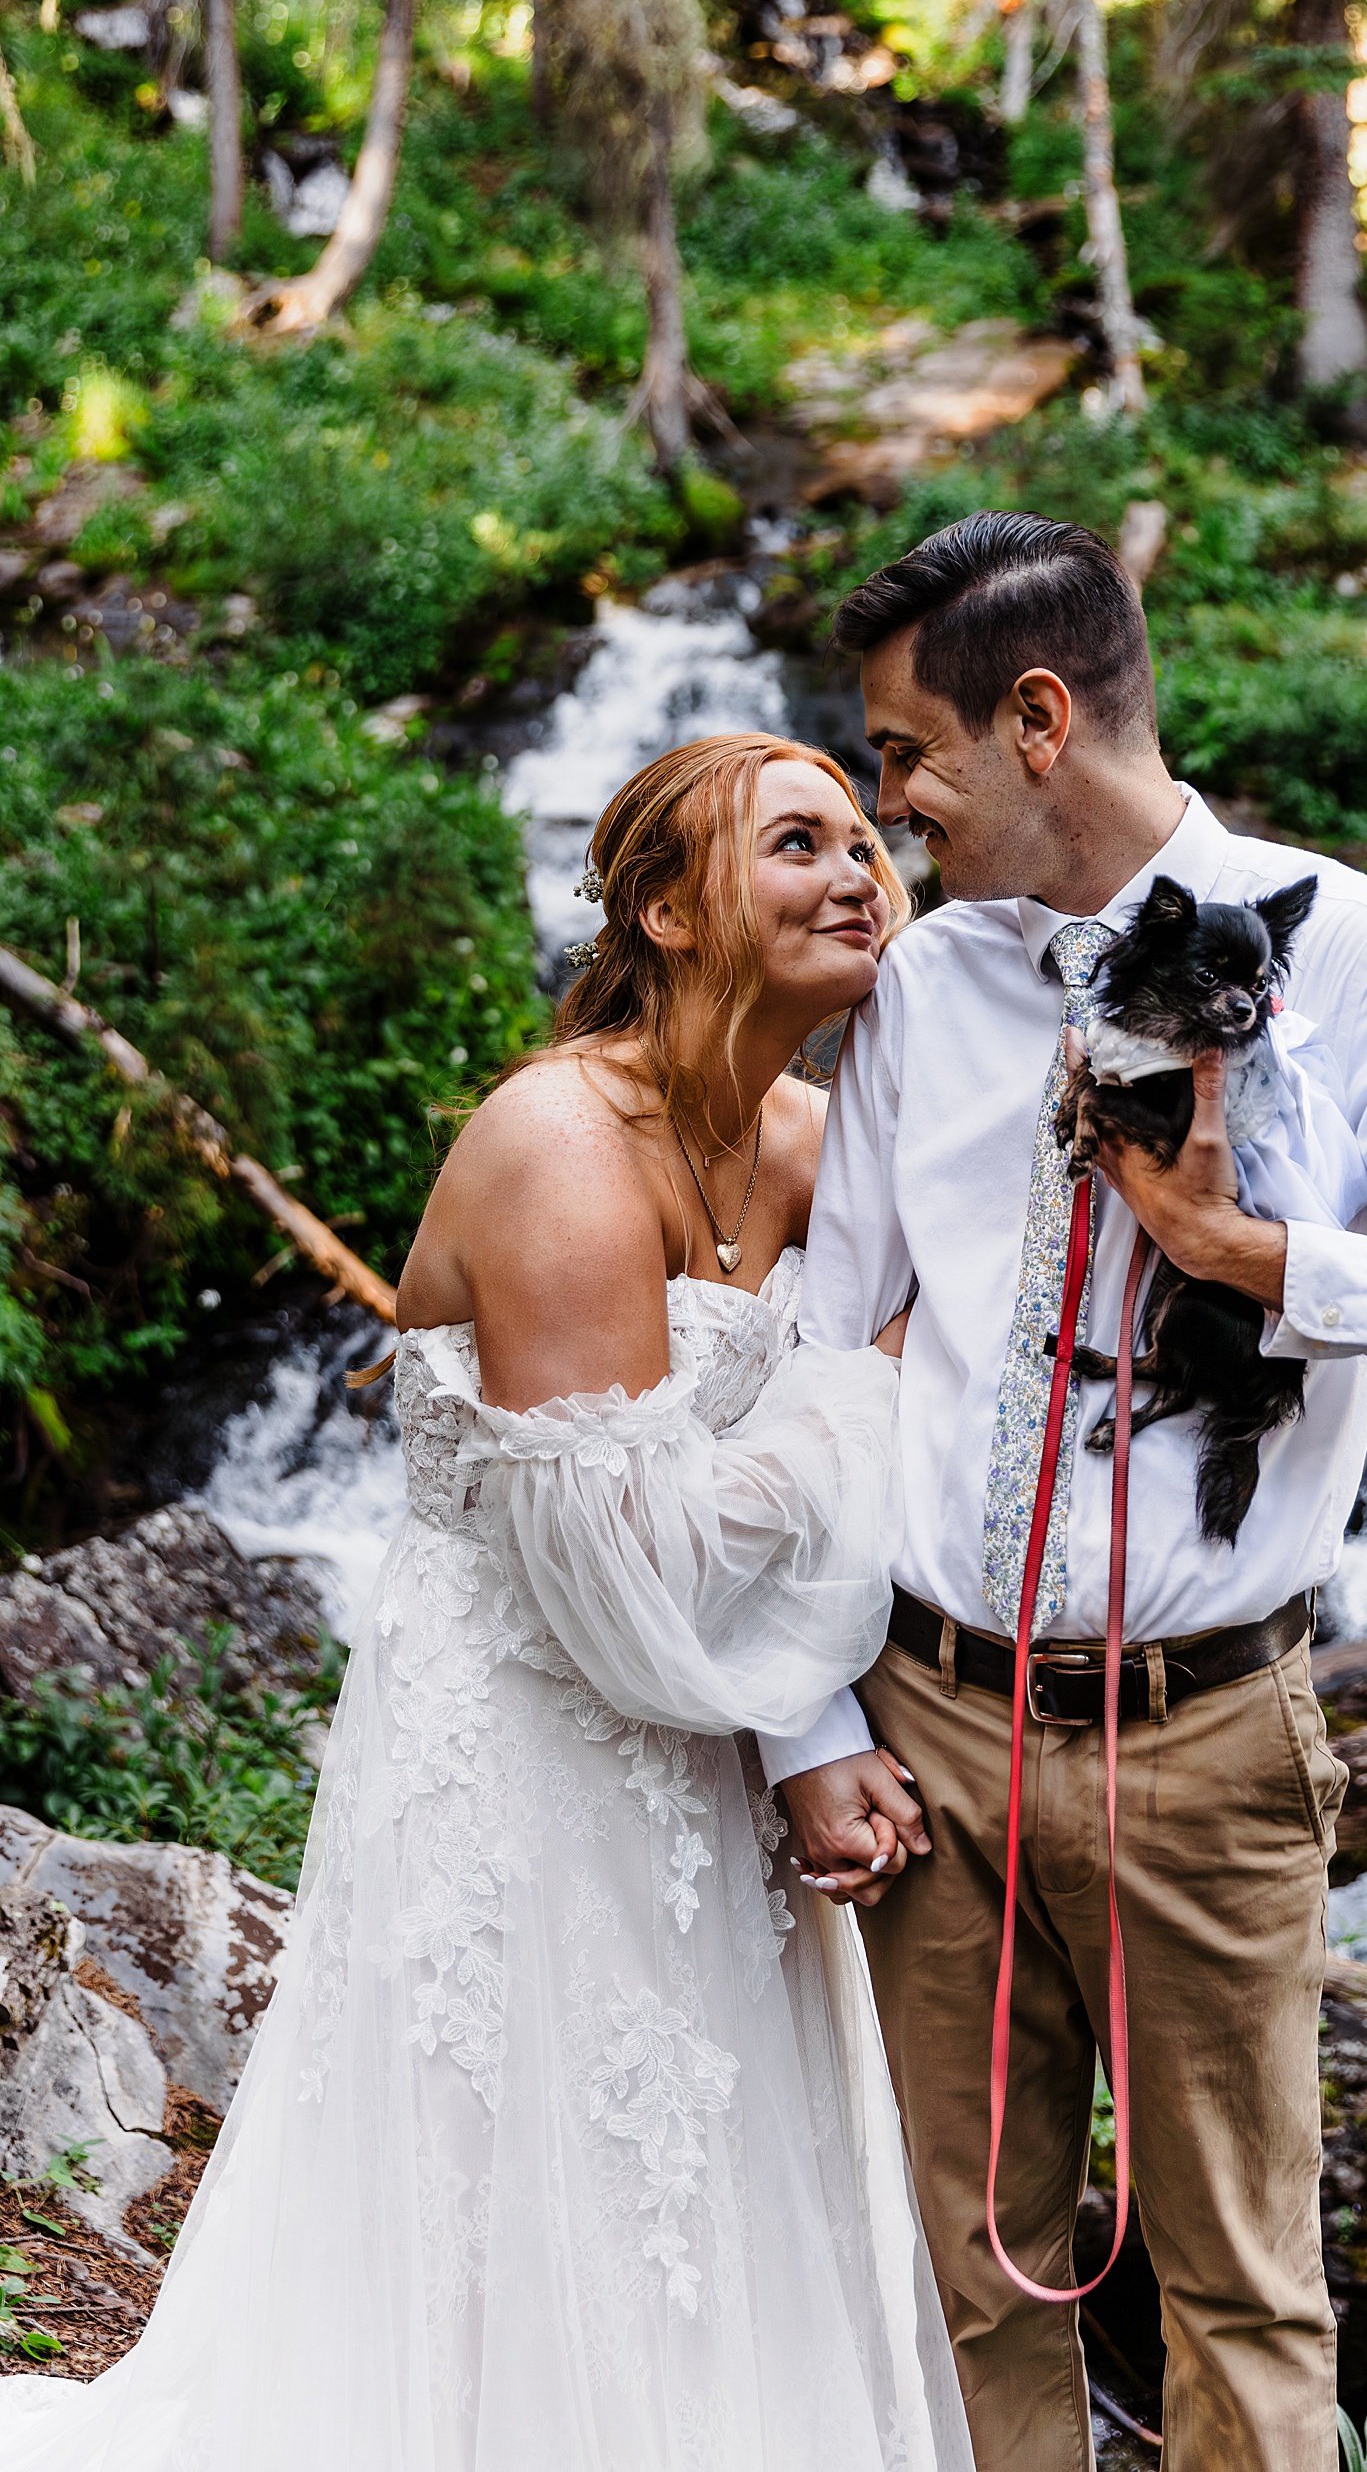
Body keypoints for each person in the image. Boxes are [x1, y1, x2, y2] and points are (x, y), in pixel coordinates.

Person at [0, 733, 969, 2472]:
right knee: (524, 2165)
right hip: (537, 1740)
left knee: (716, 2171)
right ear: (672, 912)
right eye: (800, 844)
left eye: (868, 842)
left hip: (714, 1754)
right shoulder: (557, 1147)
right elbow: (626, 1564)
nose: (860, 874)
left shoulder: (826, 1141)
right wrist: (878, 1380)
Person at [774, 513, 1367, 2472]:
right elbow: (824, 1362)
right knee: (969, 2273)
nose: (891, 807)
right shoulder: (928, 988)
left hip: (1212, 1740)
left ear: (1039, 720)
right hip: (929, 1734)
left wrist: (1265, 1266)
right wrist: (808, 1715)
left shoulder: (1362, 953)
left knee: (1244, 2288)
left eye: (909, 754)